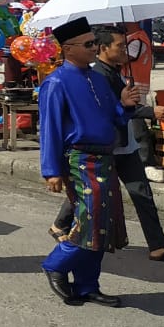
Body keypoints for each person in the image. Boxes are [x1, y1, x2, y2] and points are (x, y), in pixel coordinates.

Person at [50, 25, 164, 262]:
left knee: (140, 193)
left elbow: (118, 110)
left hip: (124, 145)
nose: (126, 50)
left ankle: (158, 245)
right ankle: (61, 242)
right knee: (92, 196)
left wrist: (128, 104)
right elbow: (86, 117)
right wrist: (52, 170)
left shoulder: (111, 72)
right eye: (120, 46)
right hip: (100, 149)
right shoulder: (80, 78)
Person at [39, 17, 134, 307]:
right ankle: (55, 263)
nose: (96, 48)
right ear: (68, 49)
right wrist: (51, 170)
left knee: (103, 224)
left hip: (105, 157)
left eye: (95, 42)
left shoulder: (97, 78)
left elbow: (113, 116)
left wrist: (126, 105)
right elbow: (50, 128)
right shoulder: (55, 82)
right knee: (90, 221)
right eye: (89, 44)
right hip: (79, 158)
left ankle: (86, 285)